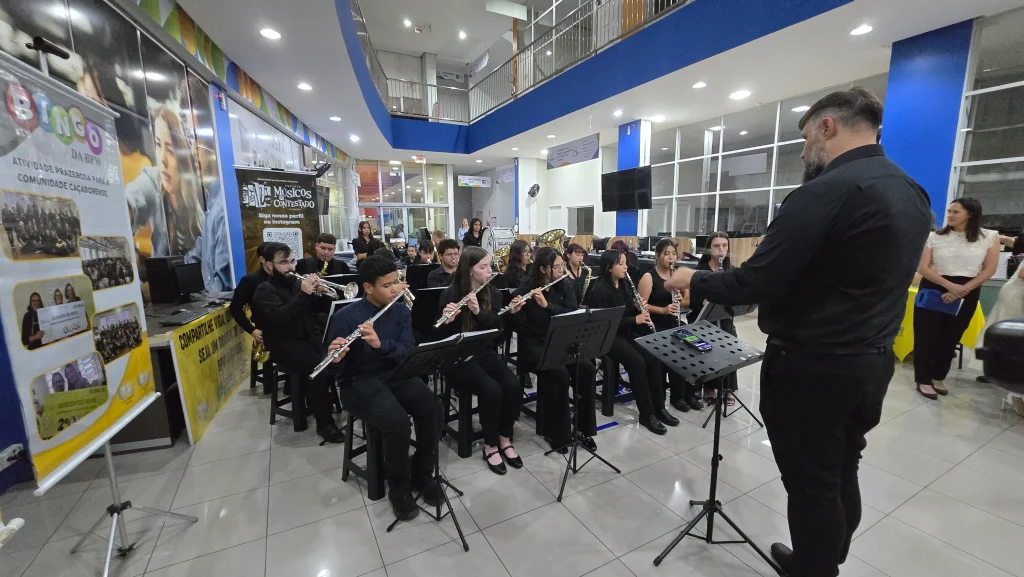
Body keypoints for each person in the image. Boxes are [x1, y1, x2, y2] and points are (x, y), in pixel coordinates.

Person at [664, 87, 932, 577]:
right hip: (872, 361)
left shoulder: (824, 192)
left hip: (814, 365)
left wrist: (692, 278)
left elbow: (756, 278)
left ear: (828, 127)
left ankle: (815, 567)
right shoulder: (912, 193)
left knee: (810, 481)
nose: (805, 150)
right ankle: (825, 554)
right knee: (842, 464)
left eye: (808, 136)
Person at [327, 256, 442, 520]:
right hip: (359, 383)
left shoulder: (400, 311)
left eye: (397, 282)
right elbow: (334, 372)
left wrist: (381, 345)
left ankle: (422, 474)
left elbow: (405, 351)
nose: (395, 289)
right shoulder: (346, 317)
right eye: (387, 285)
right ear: (368, 287)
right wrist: (336, 359)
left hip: (396, 375)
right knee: (398, 422)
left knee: (433, 407)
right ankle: (398, 487)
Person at [437, 247, 525, 474]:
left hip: (484, 352)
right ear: (469, 271)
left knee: (513, 385)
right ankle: (490, 444)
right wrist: (449, 321)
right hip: (458, 358)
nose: (490, 271)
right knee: (492, 390)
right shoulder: (450, 294)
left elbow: (498, 330)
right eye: (483, 267)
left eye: (489, 265)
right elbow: (439, 340)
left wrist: (479, 313)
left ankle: (505, 437)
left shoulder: (493, 294)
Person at [251, 242, 345, 444]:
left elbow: (310, 311)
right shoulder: (264, 291)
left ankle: (333, 401)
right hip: (283, 344)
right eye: (283, 262)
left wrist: (318, 293)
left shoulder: (295, 283)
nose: (291, 267)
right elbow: (281, 317)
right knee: (318, 368)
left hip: (307, 336)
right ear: (268, 265)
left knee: (339, 352)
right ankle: (325, 425)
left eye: (292, 261)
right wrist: (304, 294)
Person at [512, 247, 599, 453]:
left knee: (586, 368)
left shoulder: (564, 285)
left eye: (562, 265)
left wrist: (547, 306)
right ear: (543, 269)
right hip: (535, 345)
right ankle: (556, 432)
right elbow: (518, 327)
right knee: (558, 373)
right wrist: (515, 312)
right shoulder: (526, 288)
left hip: (561, 341)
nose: (562, 269)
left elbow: (572, 314)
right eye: (557, 266)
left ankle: (582, 428)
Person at [914, 197, 1000, 399]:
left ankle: (938, 377)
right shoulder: (934, 236)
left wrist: (963, 289)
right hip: (935, 287)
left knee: (951, 336)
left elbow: (990, 269)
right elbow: (923, 267)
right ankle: (923, 379)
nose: (950, 215)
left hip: (967, 291)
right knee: (927, 335)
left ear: (970, 214)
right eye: (949, 211)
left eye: (956, 212)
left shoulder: (989, 237)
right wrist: (949, 286)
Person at [585, 250, 672, 434]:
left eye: (625, 263)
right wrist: (636, 319)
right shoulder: (600, 289)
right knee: (636, 361)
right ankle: (647, 414)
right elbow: (608, 322)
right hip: (608, 336)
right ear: (609, 267)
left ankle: (660, 407)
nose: (626, 267)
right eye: (621, 263)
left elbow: (627, 314)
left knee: (653, 357)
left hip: (624, 332)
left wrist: (636, 307)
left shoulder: (624, 284)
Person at [125, 106, 205, 257]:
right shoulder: (153, 181)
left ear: (184, 157)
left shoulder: (197, 210)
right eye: (158, 145)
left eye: (170, 149)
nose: (162, 159)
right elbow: (132, 199)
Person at [638, 238, 703, 412]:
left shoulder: (678, 275)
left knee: (691, 350)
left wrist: (681, 300)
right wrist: (663, 310)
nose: (671, 258)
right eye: (666, 254)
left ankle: (685, 394)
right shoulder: (648, 277)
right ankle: (667, 400)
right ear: (658, 256)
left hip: (674, 322)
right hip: (654, 324)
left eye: (674, 254)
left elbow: (688, 302)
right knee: (669, 353)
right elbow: (641, 306)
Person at [687, 233, 739, 405]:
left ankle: (727, 387)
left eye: (724, 246)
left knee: (730, 339)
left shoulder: (730, 271)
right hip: (702, 318)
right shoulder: (699, 271)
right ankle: (709, 386)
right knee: (707, 344)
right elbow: (690, 301)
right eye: (717, 246)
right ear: (709, 249)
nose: (721, 250)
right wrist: (702, 301)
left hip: (723, 316)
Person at [976, 262, 1024, 415]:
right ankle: (1013, 390)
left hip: (1016, 294)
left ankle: (999, 373)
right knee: (1013, 343)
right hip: (1017, 296)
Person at [230, 242, 273, 348]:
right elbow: (235, 307)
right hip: (264, 335)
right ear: (262, 260)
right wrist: (252, 330)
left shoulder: (285, 278)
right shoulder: (250, 280)